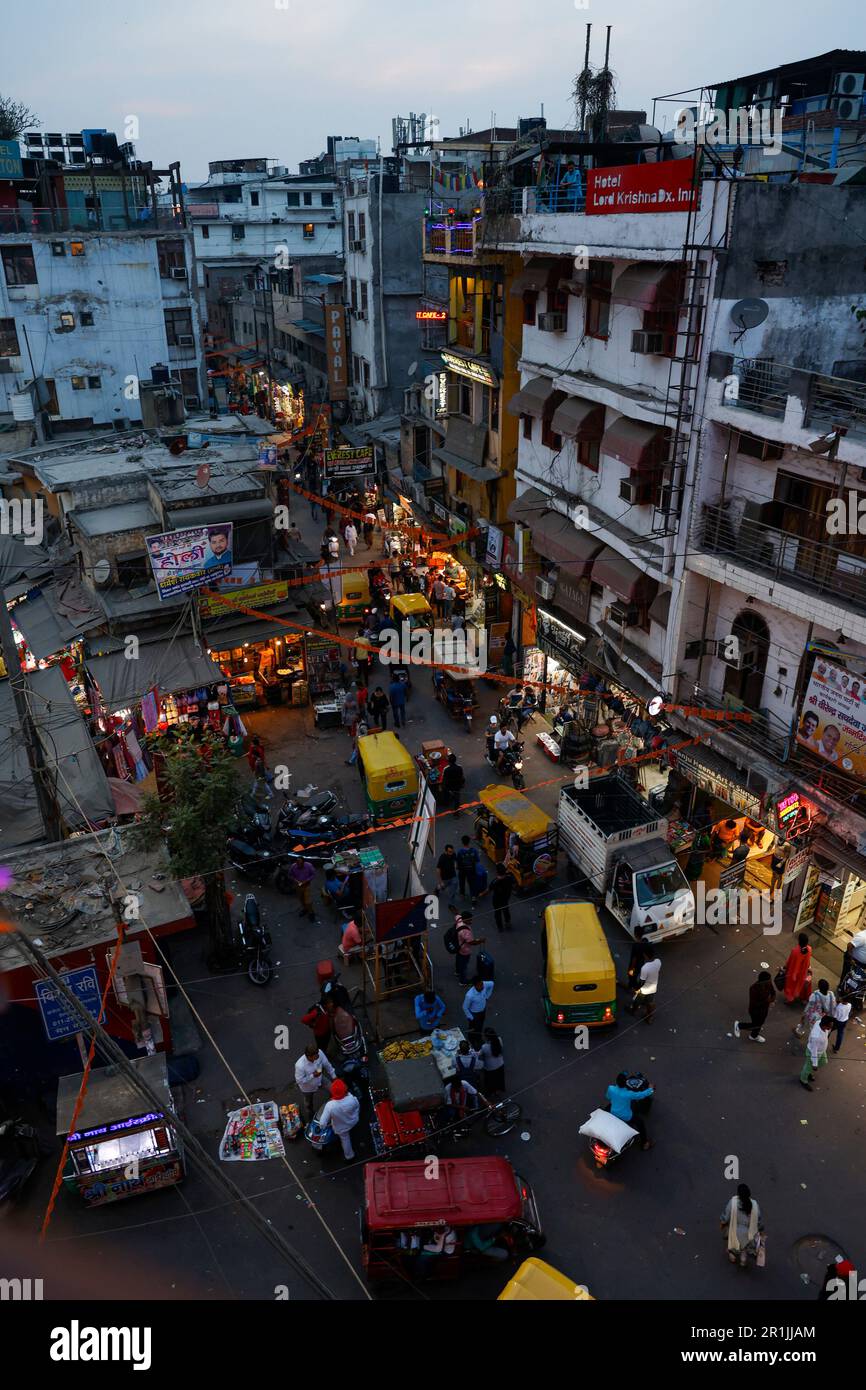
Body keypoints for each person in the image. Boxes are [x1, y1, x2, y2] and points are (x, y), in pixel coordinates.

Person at [605, 1072, 654, 1151]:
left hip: (613, 1112)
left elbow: (607, 1097)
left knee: (608, 1106)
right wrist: (651, 1089)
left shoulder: (610, 1088)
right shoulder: (629, 1094)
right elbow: (641, 1095)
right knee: (640, 1123)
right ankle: (644, 1143)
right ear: (626, 1083)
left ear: (616, 1081)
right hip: (626, 1117)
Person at [721, 1184, 764, 1268]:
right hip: (750, 1233)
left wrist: (722, 1222)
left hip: (736, 1232)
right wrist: (761, 1230)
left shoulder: (733, 1203)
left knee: (733, 1247)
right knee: (744, 1248)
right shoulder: (754, 1204)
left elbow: (725, 1217)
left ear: (738, 1195)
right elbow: (759, 1220)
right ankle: (743, 1261)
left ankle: (732, 1257)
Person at [317, 1078, 360, 1160]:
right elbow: (357, 1107)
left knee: (345, 1140)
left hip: (341, 1128)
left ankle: (349, 1156)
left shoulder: (330, 1106)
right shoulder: (352, 1098)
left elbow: (322, 1123)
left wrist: (322, 1127)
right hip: (353, 1121)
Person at [294, 1043, 336, 1125]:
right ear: (308, 1056)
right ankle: (310, 1117)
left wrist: (334, 1077)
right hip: (308, 1088)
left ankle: (333, 1107)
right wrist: (313, 1075)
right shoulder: (300, 1065)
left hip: (321, 1079)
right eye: (315, 1056)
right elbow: (299, 1081)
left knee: (333, 1090)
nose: (318, 1057)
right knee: (308, 1104)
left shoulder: (319, 1053)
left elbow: (327, 1064)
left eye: (317, 1054)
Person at [734, 971, 776, 1043]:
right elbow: (755, 1003)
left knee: (759, 1023)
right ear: (763, 981)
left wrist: (771, 1000)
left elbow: (773, 992)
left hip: (764, 1009)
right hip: (755, 1010)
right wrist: (768, 1001)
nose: (770, 982)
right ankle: (739, 1025)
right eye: (768, 980)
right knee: (756, 1024)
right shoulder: (754, 988)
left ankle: (753, 1036)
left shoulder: (768, 983)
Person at [800, 1014, 834, 1090]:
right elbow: (814, 1051)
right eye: (830, 1026)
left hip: (821, 1051)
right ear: (824, 1026)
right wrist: (814, 1064)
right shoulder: (816, 1037)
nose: (831, 1028)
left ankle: (810, 1072)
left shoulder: (819, 1022)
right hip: (813, 1053)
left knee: (823, 1062)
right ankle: (803, 1080)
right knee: (808, 1067)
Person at [479, 863, 514, 933]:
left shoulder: (495, 882)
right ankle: (507, 923)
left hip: (497, 900)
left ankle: (500, 927)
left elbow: (488, 890)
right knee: (506, 910)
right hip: (506, 898)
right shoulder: (509, 878)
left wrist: (481, 894)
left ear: (497, 872)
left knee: (497, 913)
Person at [452, 909, 485, 984]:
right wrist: (481, 940)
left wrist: (453, 908)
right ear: (465, 919)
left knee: (458, 959)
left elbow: (456, 914)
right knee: (463, 966)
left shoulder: (459, 919)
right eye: (469, 920)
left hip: (458, 945)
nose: (471, 921)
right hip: (464, 950)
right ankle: (462, 981)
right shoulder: (466, 932)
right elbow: (471, 942)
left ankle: (457, 972)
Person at [630, 948, 660, 1024]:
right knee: (650, 1002)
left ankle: (633, 1010)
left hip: (645, 988)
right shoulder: (658, 962)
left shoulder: (645, 968)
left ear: (645, 955)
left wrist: (637, 989)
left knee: (637, 999)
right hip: (653, 986)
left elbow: (642, 981)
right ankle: (649, 1017)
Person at [782, 932, 813, 1005]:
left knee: (790, 987)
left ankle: (790, 999)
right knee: (800, 986)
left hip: (793, 973)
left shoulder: (795, 951)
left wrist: (784, 967)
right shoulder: (809, 949)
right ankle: (799, 996)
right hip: (803, 973)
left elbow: (790, 962)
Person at [479, 1029, 506, 1098]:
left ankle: (492, 1092)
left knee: (490, 1081)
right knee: (498, 1079)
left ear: (487, 1038)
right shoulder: (499, 1040)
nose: (483, 1037)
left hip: (490, 1068)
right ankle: (498, 1090)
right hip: (500, 1064)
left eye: (484, 1036)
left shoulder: (484, 1047)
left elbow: (479, 1054)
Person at [456, 836, 482, 902]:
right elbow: (477, 860)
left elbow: (458, 862)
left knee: (462, 882)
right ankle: (473, 897)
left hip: (462, 870)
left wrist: (457, 867)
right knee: (472, 883)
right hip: (471, 869)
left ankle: (462, 894)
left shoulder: (460, 852)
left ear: (462, 842)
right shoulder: (474, 850)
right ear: (469, 842)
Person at [625, 924, 650, 990]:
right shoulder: (645, 941)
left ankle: (635, 987)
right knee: (635, 976)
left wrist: (631, 969)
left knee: (631, 976)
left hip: (635, 966)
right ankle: (631, 986)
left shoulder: (635, 945)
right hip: (641, 963)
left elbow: (634, 959)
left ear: (635, 934)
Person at [440, 754, 464, 818]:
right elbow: (461, 777)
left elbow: (444, 779)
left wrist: (444, 787)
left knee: (446, 794)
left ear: (448, 761)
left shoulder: (446, 769)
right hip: (457, 786)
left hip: (449, 787)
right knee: (457, 800)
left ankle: (447, 802)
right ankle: (456, 813)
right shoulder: (459, 767)